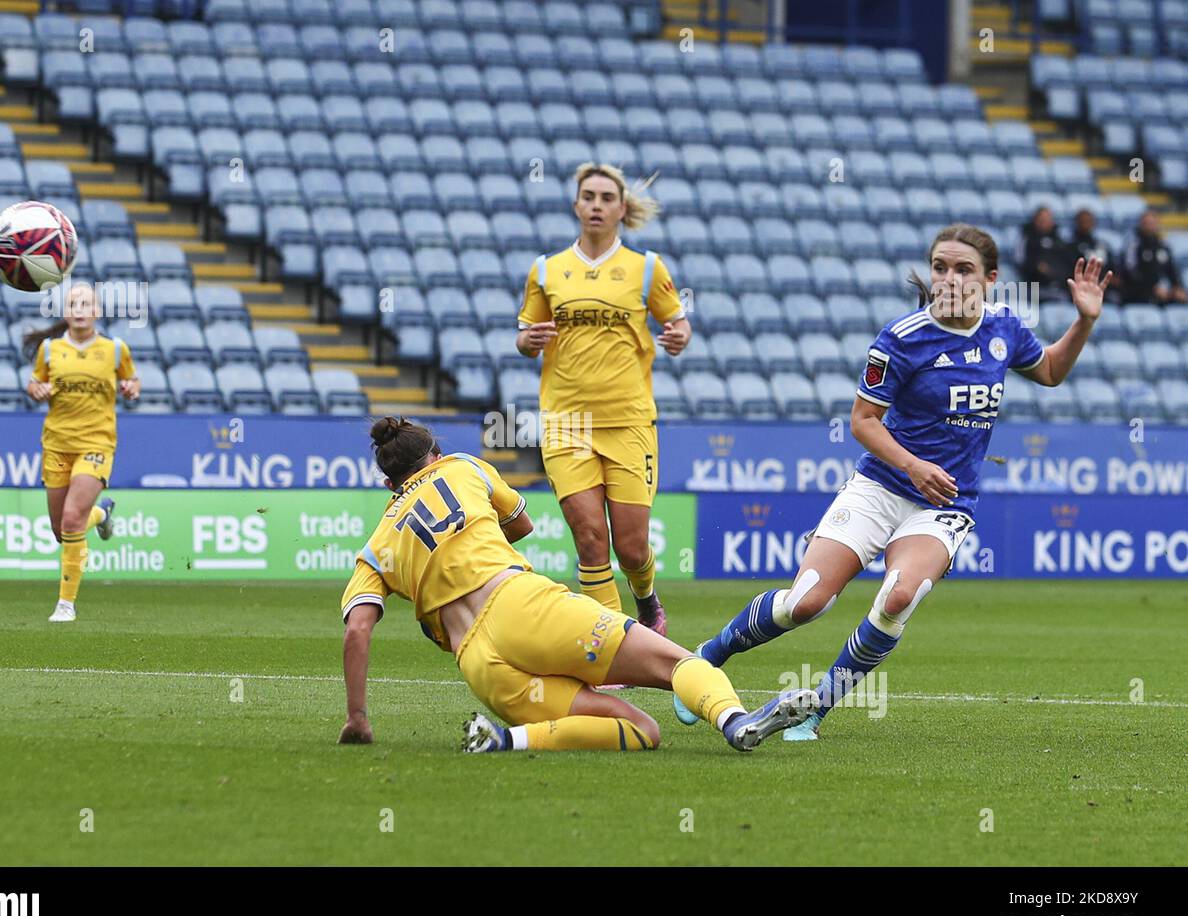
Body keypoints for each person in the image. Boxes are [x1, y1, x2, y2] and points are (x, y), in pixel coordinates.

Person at [674, 223, 1111, 740]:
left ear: (990, 279)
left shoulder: (1005, 330)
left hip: (945, 504)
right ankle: (710, 655)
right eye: (940, 267)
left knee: (899, 597)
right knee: (806, 604)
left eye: (964, 269)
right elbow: (863, 422)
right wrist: (914, 466)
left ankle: (816, 709)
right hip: (881, 487)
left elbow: (1052, 371)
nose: (949, 278)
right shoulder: (902, 339)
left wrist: (1084, 320)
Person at [337, 417, 817, 753]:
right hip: (521, 608)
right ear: (434, 455)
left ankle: (506, 740)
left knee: (639, 730)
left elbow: (357, 631)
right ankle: (735, 722)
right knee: (678, 664)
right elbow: (520, 524)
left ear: (387, 484)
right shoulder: (462, 466)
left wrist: (358, 719)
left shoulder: (377, 544)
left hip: (482, 668)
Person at [513, 162, 690, 635]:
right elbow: (526, 335)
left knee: (631, 548)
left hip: (629, 420)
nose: (596, 204)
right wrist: (529, 342)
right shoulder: (547, 270)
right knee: (590, 540)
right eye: (588, 196)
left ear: (621, 208)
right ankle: (612, 645)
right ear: (576, 206)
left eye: (606, 197)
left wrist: (678, 337)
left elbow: (678, 322)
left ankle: (646, 598)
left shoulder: (646, 267)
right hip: (566, 422)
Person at [23, 283, 140, 622]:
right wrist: (37, 390)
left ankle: (65, 604)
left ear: (96, 311)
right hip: (57, 444)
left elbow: (132, 381)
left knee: (73, 517)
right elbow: (34, 383)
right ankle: (102, 515)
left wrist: (131, 389)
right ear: (66, 312)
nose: (79, 308)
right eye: (73, 302)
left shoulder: (115, 350)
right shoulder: (50, 350)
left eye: (86, 303)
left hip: (96, 443)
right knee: (62, 529)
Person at [1121, 210, 1187, 304]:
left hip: (1162, 293)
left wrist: (1177, 287)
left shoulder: (1163, 246)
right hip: (1138, 294)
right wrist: (1152, 288)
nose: (1150, 226)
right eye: (1147, 223)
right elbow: (1131, 272)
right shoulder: (1133, 245)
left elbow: (1172, 270)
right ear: (1141, 224)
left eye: (1153, 223)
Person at [1018, 206, 1072, 300]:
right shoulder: (1028, 238)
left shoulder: (1059, 241)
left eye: (1047, 219)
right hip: (1034, 286)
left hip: (1058, 287)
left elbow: (1065, 264)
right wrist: (1037, 268)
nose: (1044, 222)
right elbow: (1021, 261)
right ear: (1035, 220)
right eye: (1041, 219)